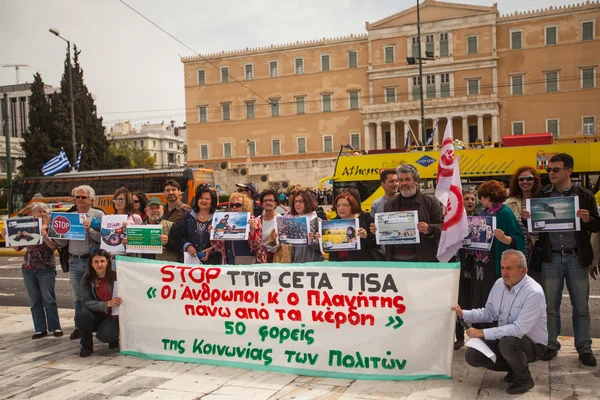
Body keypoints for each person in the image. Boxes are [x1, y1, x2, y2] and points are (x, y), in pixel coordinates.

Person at [522, 153, 600, 366]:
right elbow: (533, 229)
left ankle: (584, 348)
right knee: (550, 306)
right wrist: (526, 217)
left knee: (581, 307)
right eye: (549, 170)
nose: (551, 173)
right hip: (552, 258)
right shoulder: (542, 194)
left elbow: (597, 224)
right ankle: (550, 345)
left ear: (568, 171)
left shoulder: (584, 195)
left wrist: (587, 219)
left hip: (577, 257)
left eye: (555, 169)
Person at [452, 250, 547, 395]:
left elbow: (519, 329)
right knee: (472, 355)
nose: (505, 273)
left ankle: (524, 379)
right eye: (503, 268)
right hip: (506, 339)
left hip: (533, 345)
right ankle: (513, 368)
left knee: (508, 343)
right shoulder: (499, 284)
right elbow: (489, 313)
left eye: (509, 268)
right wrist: (463, 313)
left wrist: (482, 332)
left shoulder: (534, 292)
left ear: (523, 270)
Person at [1, 202, 62, 339]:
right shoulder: (27, 227)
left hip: (46, 268)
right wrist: (5, 235)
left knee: (49, 299)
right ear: (32, 215)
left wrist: (45, 235)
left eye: (44, 211)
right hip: (28, 268)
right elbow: (17, 247)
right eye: (39, 211)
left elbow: (54, 246)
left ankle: (55, 327)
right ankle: (40, 329)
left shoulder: (52, 227)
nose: (42, 213)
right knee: (35, 300)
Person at [53, 185, 105, 340]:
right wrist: (51, 231)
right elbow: (61, 243)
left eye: (83, 197)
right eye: (77, 197)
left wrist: (91, 231)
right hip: (74, 261)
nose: (79, 200)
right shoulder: (70, 216)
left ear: (91, 200)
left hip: (92, 263)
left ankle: (97, 325)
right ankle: (79, 326)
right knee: (78, 297)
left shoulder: (98, 215)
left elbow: (105, 239)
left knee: (95, 295)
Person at [369, 164, 443, 262]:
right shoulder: (389, 205)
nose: (403, 183)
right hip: (395, 261)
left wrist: (429, 228)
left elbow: (443, 226)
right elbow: (384, 233)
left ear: (416, 181)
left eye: (407, 179)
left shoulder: (430, 202)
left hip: (422, 260)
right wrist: (377, 230)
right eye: (400, 180)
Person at [471, 180, 524, 313]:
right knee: (482, 298)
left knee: (495, 299)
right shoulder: (484, 213)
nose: (480, 200)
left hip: (495, 264)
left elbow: (518, 238)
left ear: (488, 197)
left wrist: (505, 239)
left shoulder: (505, 213)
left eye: (481, 197)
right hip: (481, 264)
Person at [76, 250, 121, 357]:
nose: (99, 264)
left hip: (112, 315)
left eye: (102, 261)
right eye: (96, 262)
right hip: (96, 312)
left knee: (106, 335)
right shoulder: (87, 278)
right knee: (82, 316)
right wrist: (106, 304)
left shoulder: (116, 276)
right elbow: (85, 301)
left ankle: (113, 338)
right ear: (91, 263)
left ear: (108, 262)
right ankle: (86, 345)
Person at [455, 187, 479, 350]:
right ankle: (459, 337)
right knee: (458, 302)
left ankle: (476, 336)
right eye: (467, 199)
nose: (470, 201)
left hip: (477, 264)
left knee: (475, 301)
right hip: (459, 264)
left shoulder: (482, 218)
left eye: (472, 199)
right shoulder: (454, 220)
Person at [212, 192, 267, 264]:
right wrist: (213, 233)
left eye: (237, 205)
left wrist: (252, 231)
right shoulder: (226, 220)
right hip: (229, 262)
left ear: (245, 206)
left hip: (248, 263)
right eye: (232, 205)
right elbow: (219, 247)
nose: (234, 207)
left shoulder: (254, 221)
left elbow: (256, 246)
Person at [328, 192, 379, 262]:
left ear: (352, 205)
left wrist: (366, 236)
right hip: (338, 264)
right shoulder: (332, 223)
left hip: (360, 264)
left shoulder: (365, 218)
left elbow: (376, 243)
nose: (341, 208)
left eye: (345, 205)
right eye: (338, 205)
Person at [505, 167, 541, 258]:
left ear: (535, 180)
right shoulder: (509, 203)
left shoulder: (542, 202)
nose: (525, 182)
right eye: (521, 179)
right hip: (515, 253)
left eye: (529, 178)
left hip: (537, 253)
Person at [180, 185, 221, 264]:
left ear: (212, 201)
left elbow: (224, 242)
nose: (203, 201)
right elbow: (181, 235)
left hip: (212, 262)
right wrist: (188, 246)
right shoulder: (189, 215)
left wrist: (212, 249)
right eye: (201, 198)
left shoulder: (218, 217)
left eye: (207, 199)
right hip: (190, 261)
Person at [286, 190, 324, 263]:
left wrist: (312, 241)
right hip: (295, 263)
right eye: (295, 202)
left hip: (312, 265)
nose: (297, 204)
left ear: (307, 202)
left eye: (301, 201)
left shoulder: (317, 221)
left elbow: (321, 247)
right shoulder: (291, 221)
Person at [141, 197, 181, 261]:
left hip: (163, 267)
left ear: (162, 209)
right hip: (143, 266)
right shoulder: (140, 227)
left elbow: (179, 247)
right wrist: (127, 244)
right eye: (152, 208)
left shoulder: (171, 226)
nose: (155, 210)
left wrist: (168, 242)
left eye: (157, 208)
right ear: (146, 210)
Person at [257, 189, 281, 263]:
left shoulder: (280, 220)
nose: (268, 202)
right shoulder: (257, 220)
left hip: (276, 258)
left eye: (271, 200)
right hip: (260, 258)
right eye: (265, 200)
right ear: (262, 203)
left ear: (275, 204)